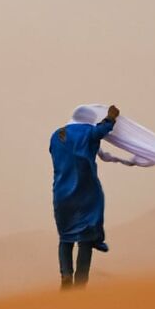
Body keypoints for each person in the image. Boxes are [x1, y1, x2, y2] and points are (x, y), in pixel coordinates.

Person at [49, 104, 120, 288]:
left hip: (61, 194)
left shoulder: (56, 135)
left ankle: (66, 275)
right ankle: (81, 283)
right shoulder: (88, 133)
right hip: (86, 192)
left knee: (66, 237)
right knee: (85, 238)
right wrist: (111, 117)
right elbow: (102, 130)